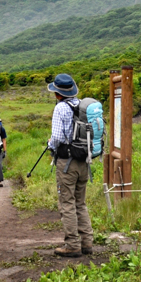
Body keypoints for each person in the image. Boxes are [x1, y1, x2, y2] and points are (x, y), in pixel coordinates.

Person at [46, 73, 93, 258]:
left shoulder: (60, 109)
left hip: (67, 162)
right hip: (84, 161)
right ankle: (87, 242)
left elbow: (57, 137)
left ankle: (72, 244)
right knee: (80, 203)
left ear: (58, 94)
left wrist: (51, 145)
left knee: (67, 203)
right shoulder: (82, 105)